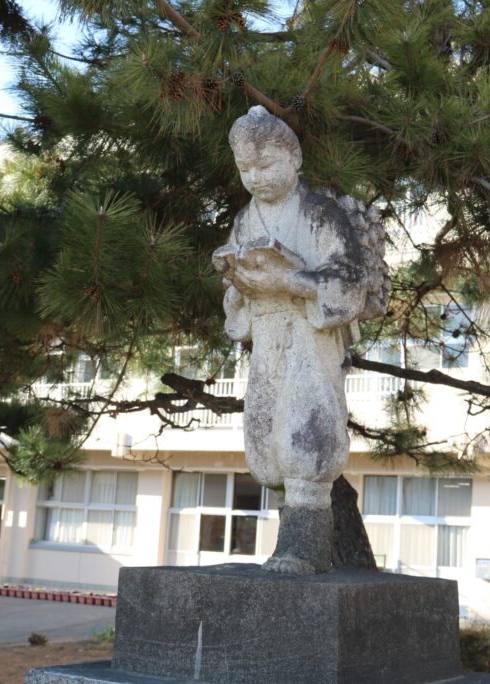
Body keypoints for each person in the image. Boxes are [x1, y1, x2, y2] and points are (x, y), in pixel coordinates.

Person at [215, 105, 372, 573]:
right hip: (267, 337)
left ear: (294, 158)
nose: (256, 178)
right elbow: (234, 305)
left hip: (308, 338)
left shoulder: (320, 215)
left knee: (305, 435)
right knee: (264, 445)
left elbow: (349, 284)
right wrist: (240, 283)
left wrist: (289, 281)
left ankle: (304, 547)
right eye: (246, 169)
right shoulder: (244, 221)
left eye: (266, 165)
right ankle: (289, 542)